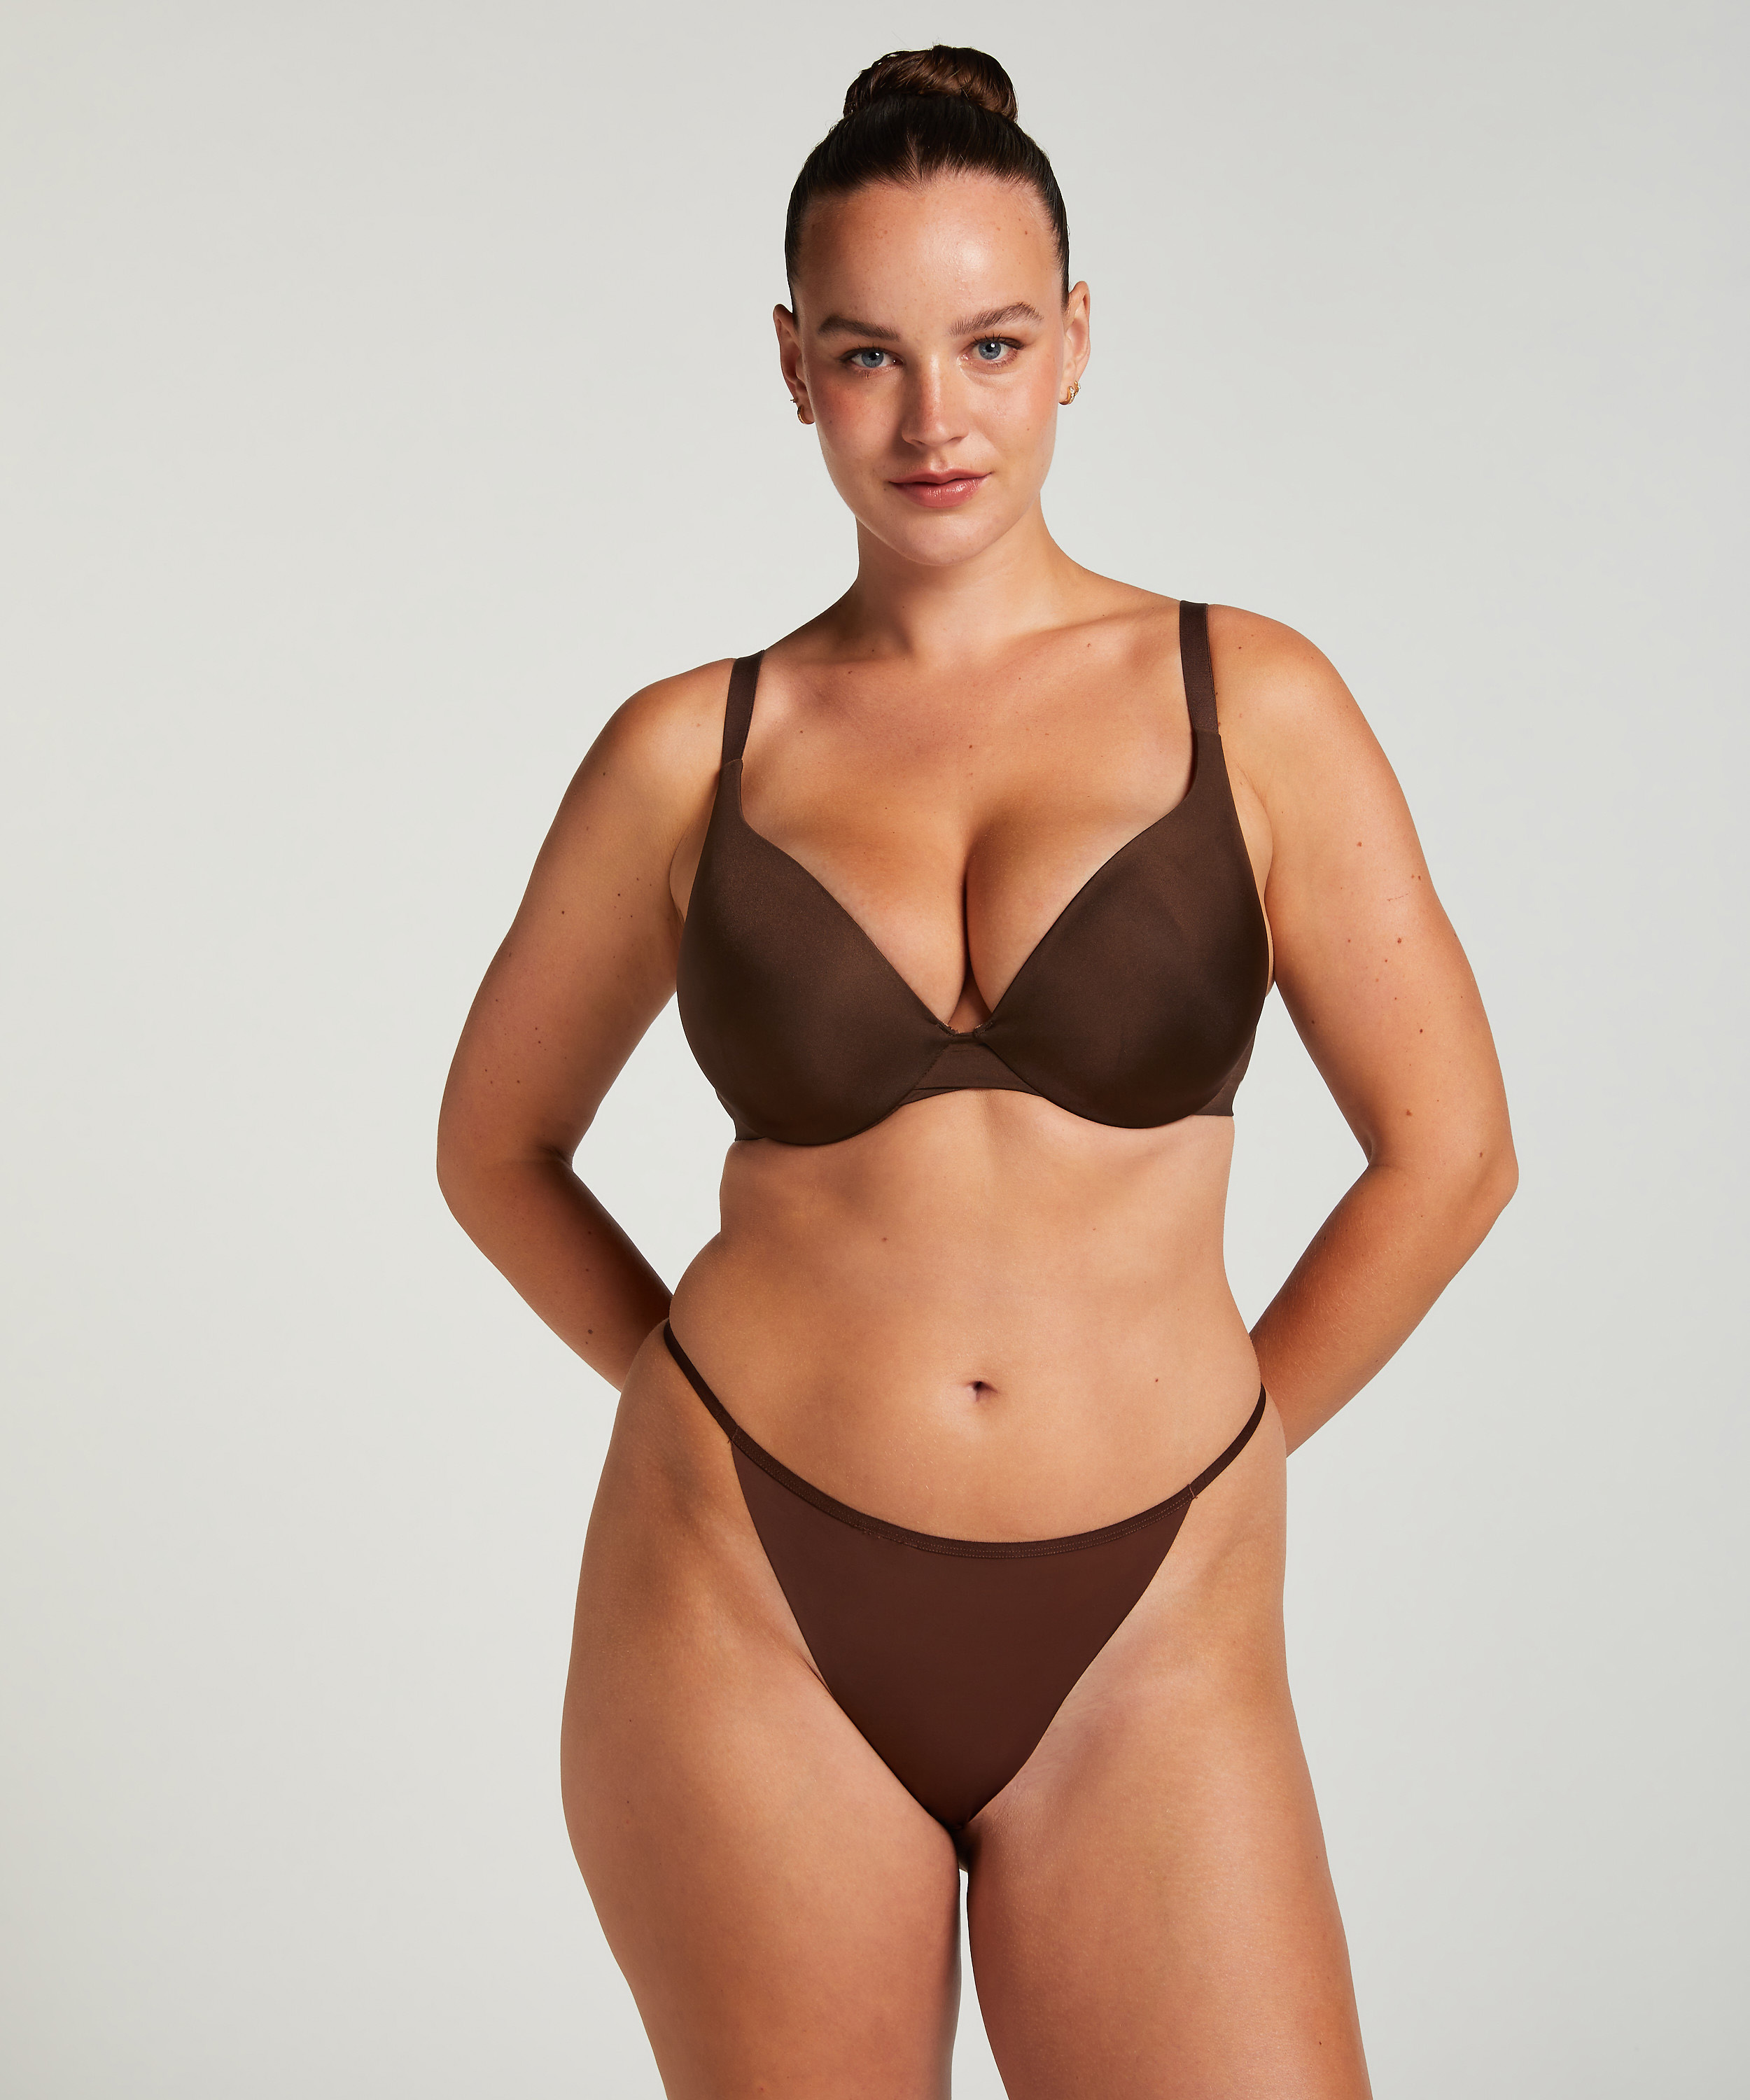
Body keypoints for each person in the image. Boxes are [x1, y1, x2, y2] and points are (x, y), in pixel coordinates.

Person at [437, 43, 1515, 2099]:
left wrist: (1233, 1446)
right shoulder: (686, 751)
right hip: (740, 1596)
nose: (935, 419)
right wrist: (702, 1404)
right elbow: (494, 1144)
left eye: (992, 345)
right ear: (791, 363)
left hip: (1149, 1620)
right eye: (868, 355)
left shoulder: (1252, 701)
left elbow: (1449, 1151)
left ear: (1077, 342)